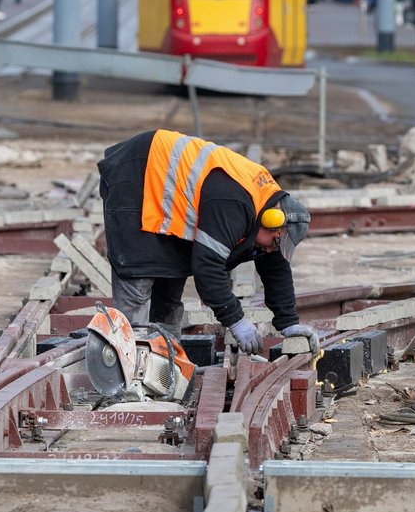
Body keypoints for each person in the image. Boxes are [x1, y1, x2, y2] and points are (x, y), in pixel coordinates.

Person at [97, 129, 319, 354]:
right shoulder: (234, 204)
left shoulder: (266, 208)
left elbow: (276, 267)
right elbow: (207, 268)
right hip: (138, 174)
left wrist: (289, 322)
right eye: (275, 241)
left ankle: (164, 364)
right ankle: (128, 365)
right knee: (138, 280)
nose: (272, 249)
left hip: (167, 191)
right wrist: (236, 320)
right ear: (272, 220)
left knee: (169, 285)